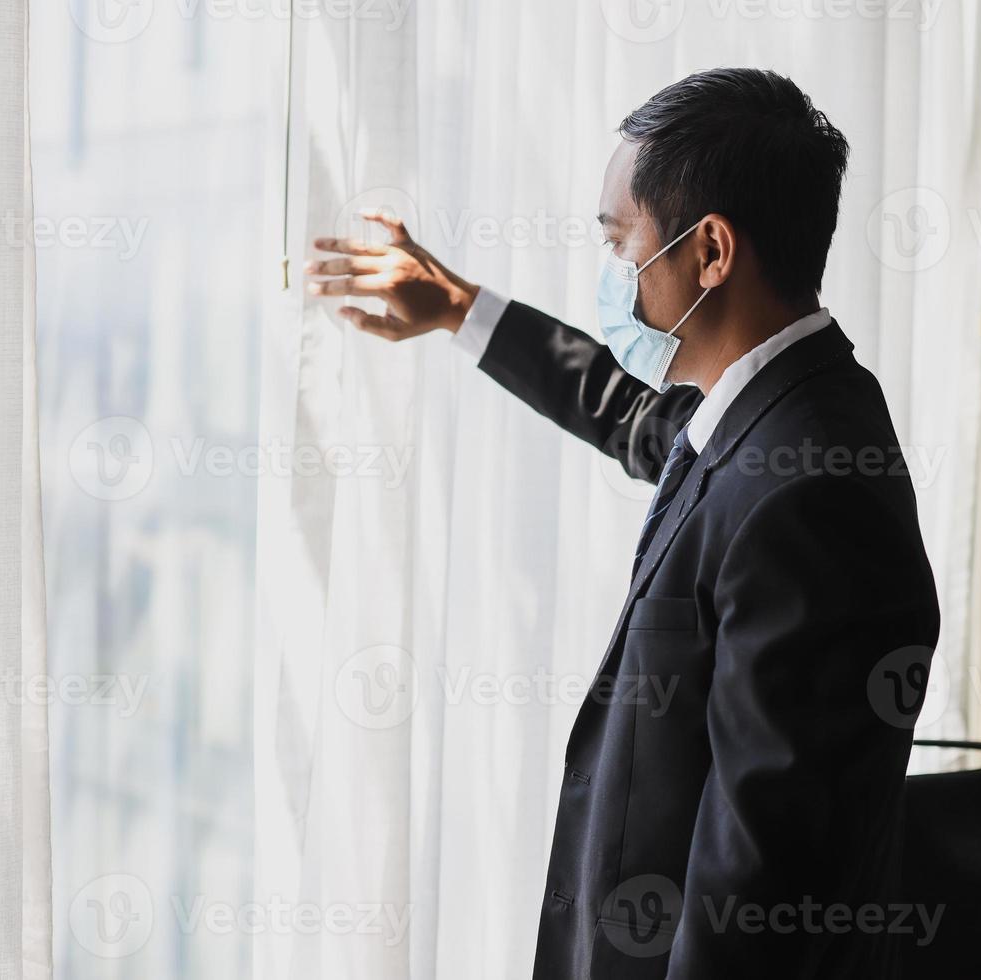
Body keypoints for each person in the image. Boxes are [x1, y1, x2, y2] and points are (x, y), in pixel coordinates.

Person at [306, 67, 940, 978]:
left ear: (711, 251)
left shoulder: (810, 488)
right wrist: (458, 308)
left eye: (620, 242)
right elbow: (631, 417)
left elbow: (758, 882)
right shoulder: (775, 406)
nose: (614, 274)